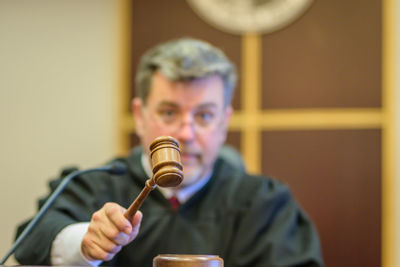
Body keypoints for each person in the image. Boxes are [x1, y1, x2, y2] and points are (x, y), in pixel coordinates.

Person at [14, 38, 323, 266]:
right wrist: (85, 242)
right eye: (169, 112)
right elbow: (32, 242)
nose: (185, 134)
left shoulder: (265, 204)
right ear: (139, 114)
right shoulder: (93, 186)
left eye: (203, 115)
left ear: (224, 122)